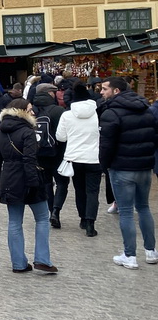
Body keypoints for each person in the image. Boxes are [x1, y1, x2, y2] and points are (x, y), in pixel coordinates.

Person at [0, 99, 57, 275]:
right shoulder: (27, 132)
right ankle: (42, 259)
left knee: (14, 221)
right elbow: (29, 160)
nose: (33, 112)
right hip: (28, 178)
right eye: (29, 110)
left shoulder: (1, 133)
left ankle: (18, 262)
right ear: (21, 112)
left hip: (9, 179)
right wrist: (33, 182)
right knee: (42, 217)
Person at [98, 77, 157, 269]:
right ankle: (151, 251)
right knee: (143, 207)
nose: (101, 92)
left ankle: (130, 255)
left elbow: (106, 145)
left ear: (116, 91)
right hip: (144, 168)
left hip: (122, 168)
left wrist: (104, 165)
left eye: (104, 89)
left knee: (125, 212)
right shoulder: (146, 110)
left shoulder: (111, 113)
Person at [56, 83, 101, 237]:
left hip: (74, 157)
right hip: (94, 157)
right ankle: (90, 224)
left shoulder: (67, 115)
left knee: (80, 190)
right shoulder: (97, 114)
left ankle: (82, 218)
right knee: (93, 191)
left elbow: (60, 137)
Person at [31, 83, 67, 227]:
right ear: (49, 94)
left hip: (39, 152)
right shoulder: (58, 110)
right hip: (57, 152)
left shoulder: (32, 109)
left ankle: (49, 210)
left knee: (46, 184)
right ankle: (56, 212)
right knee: (62, 183)